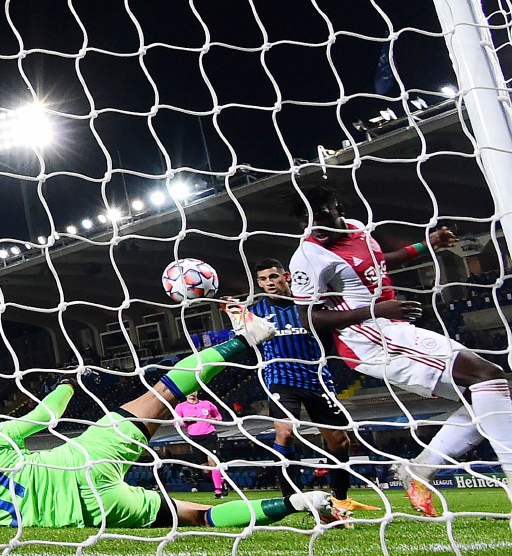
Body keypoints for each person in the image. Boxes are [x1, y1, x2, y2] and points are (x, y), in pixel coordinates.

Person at [0, 310, 352, 529]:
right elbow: (45, 415)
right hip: (81, 459)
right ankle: (246, 340)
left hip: (90, 513)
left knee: (199, 519)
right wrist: (66, 382)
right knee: (163, 393)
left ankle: (300, 504)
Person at [289, 186, 512, 517]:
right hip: (368, 338)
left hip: (391, 328)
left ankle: (420, 470)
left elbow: (378, 262)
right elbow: (308, 318)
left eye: (322, 215)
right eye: (307, 218)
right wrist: (376, 311)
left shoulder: (355, 228)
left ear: (338, 209)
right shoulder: (307, 257)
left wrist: (426, 246)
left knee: (492, 392)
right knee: (487, 375)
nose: (315, 224)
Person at [240, 258, 379, 513]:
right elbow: (246, 345)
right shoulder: (254, 312)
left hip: (317, 379)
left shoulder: (309, 305)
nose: (269, 283)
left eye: (273, 277)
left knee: (339, 441)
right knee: (284, 431)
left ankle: (340, 499)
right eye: (263, 279)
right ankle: (291, 500)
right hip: (280, 378)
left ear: (287, 277)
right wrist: (237, 320)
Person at [174, 392, 228, 498]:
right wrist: (186, 420)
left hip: (210, 437)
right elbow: (176, 423)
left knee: (213, 462)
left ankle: (218, 490)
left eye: (194, 391)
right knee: (206, 470)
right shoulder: (180, 407)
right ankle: (221, 481)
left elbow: (218, 416)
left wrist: (215, 419)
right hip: (195, 439)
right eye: (189, 392)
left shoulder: (207, 404)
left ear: (197, 392)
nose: (192, 394)